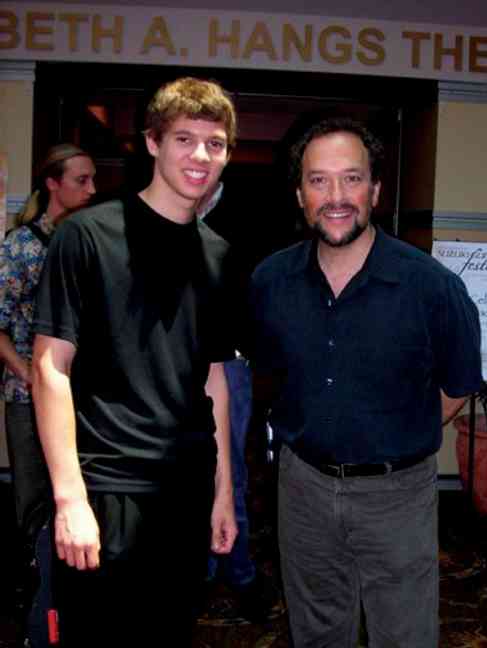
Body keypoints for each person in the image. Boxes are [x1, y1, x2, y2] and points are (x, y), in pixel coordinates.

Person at [247, 116, 482, 647]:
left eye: (352, 179)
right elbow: (271, 373)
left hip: (398, 494)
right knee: (316, 632)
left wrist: (391, 434)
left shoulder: (433, 287)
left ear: (375, 190)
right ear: (300, 195)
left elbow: (459, 383)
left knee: (404, 635)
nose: (336, 196)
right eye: (319, 180)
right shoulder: (269, 282)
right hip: (301, 487)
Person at [31, 77, 238, 647]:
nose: (201, 156)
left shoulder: (218, 254)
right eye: (184, 139)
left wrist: (224, 492)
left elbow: (214, 379)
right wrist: (69, 498)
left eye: (215, 143)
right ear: (152, 143)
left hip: (187, 491)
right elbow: (51, 367)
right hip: (107, 488)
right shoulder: (87, 236)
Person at [0, 143, 96, 647]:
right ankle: (32, 606)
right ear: (54, 184)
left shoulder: (85, 242)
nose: (92, 190)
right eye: (81, 180)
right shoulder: (21, 246)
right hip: (26, 397)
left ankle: (69, 599)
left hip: (76, 400)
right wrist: (29, 374)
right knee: (34, 507)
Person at [198, 183, 279, 623]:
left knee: (230, 474)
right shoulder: (158, 214)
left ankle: (240, 572)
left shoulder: (242, 216)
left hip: (227, 365)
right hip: (173, 366)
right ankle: (208, 568)